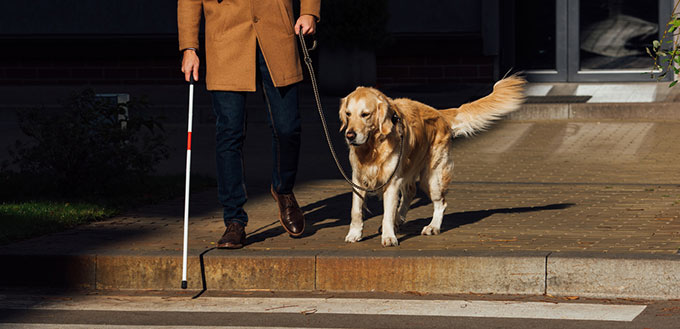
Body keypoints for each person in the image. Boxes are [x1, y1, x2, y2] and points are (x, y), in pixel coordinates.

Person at [178, 0, 320, 249]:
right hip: (226, 37)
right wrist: (189, 46)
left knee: (288, 127)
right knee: (229, 133)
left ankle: (283, 190)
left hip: (277, 31)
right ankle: (234, 220)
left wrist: (309, 11)